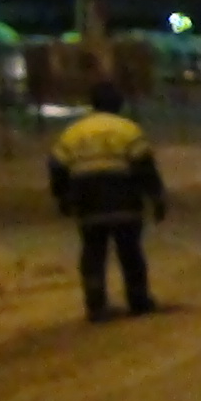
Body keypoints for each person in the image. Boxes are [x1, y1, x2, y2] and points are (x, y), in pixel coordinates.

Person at [49, 81, 168, 321]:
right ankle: (138, 299)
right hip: (124, 198)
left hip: (88, 201)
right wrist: (156, 198)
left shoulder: (74, 132)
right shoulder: (129, 130)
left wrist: (63, 196)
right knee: (130, 252)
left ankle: (96, 304)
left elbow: (57, 165)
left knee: (93, 252)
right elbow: (145, 167)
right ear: (119, 105)